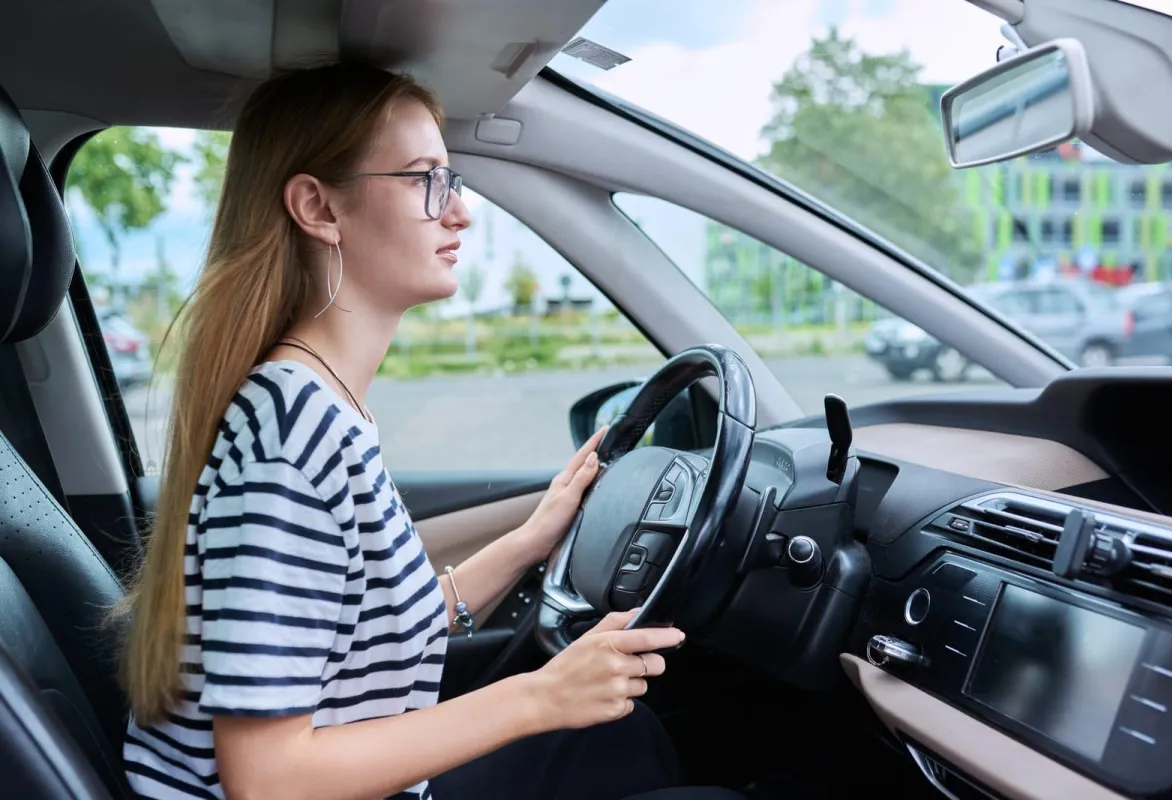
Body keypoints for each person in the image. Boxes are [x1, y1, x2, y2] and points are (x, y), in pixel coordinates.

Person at [114, 60, 744, 800]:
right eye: (425, 180)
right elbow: (269, 778)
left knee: (622, 737)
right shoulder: (289, 440)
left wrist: (530, 539)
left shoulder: (324, 407)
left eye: (453, 182)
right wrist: (540, 697)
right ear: (318, 208)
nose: (460, 213)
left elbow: (373, 625)